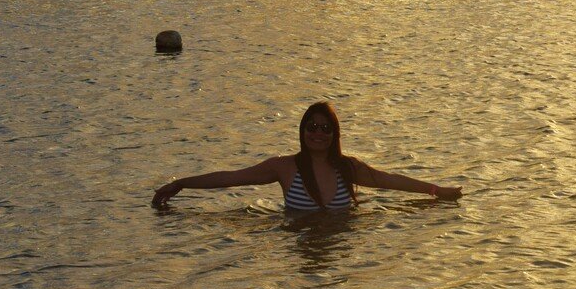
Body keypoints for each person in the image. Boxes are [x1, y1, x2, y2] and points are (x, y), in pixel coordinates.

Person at [152, 102, 462, 209]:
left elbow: (389, 181)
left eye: (325, 128)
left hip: (341, 249)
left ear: (334, 134)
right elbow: (232, 178)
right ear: (302, 130)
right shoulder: (284, 168)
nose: (318, 133)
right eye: (311, 126)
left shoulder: (347, 168)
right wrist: (182, 183)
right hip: (298, 239)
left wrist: (437, 192)